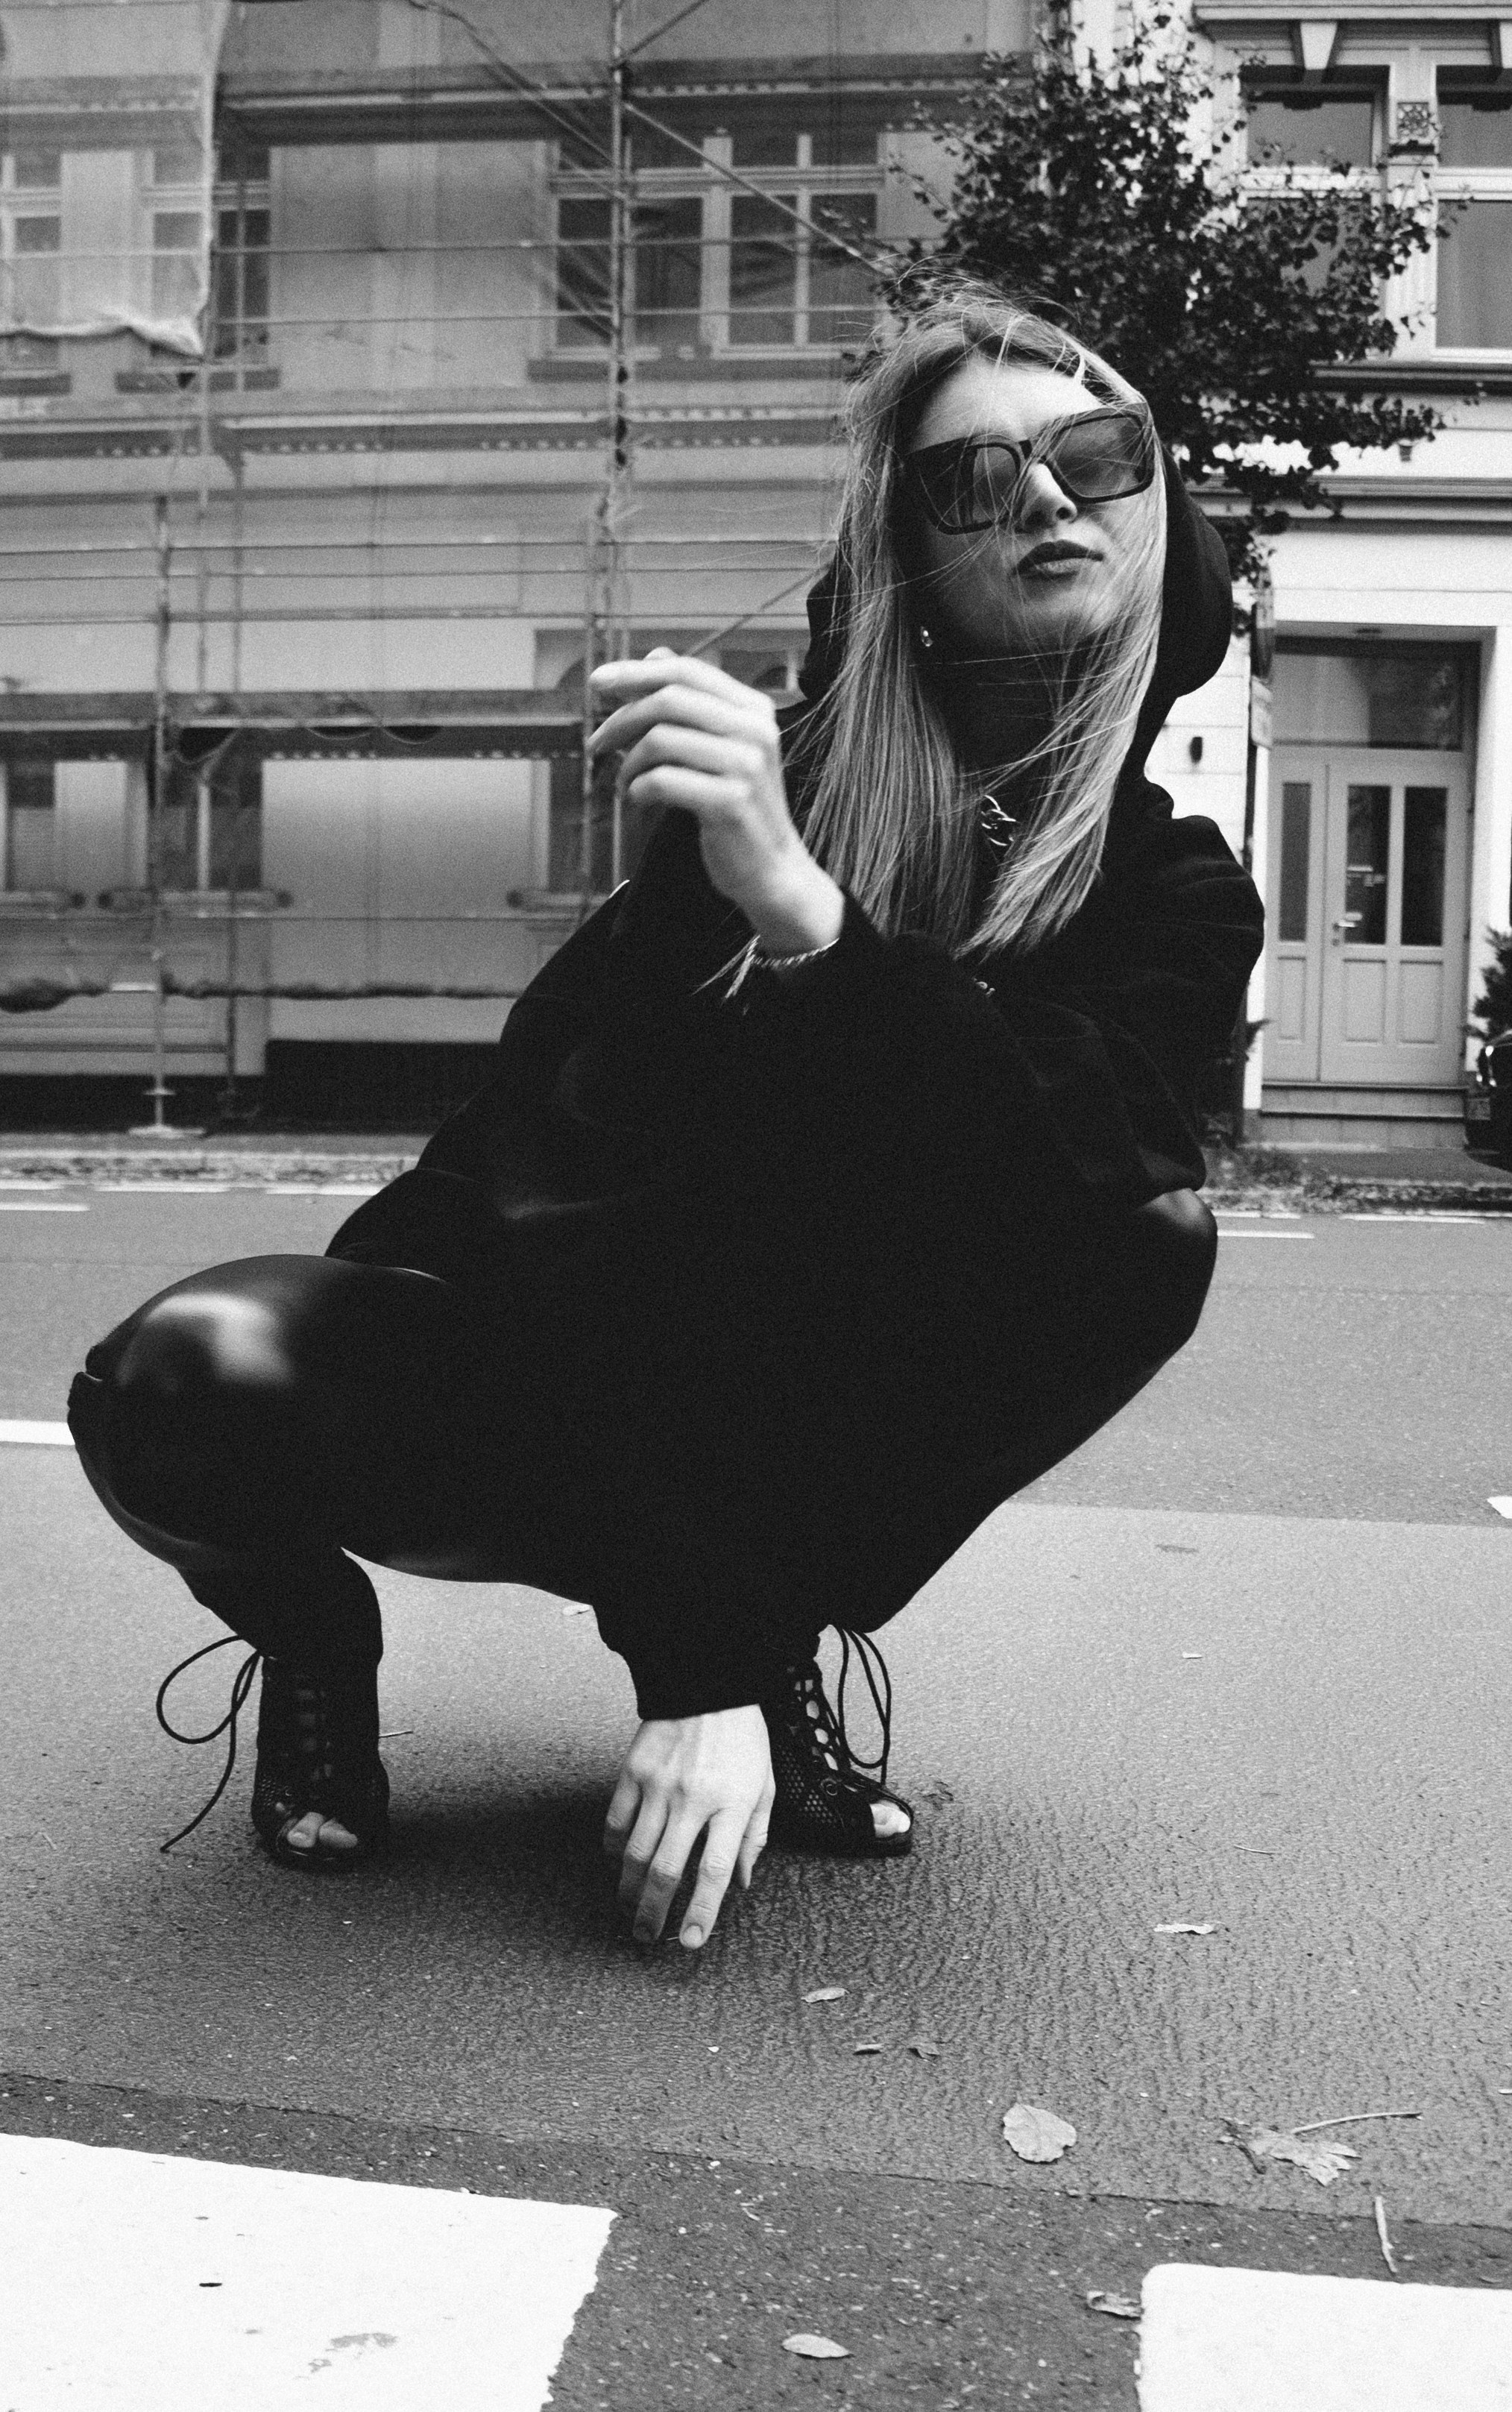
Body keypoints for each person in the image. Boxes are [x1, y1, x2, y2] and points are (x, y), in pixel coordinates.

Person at [69, 284, 1263, 1955]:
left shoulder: (1175, 895)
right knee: (181, 1382)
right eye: (975, 481)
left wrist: (815, 927)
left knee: (1146, 1240)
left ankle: (778, 1652)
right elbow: (577, 1205)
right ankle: (322, 1647)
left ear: (1158, 505)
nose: (1050, 499)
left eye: (1094, 452)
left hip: (802, 1433)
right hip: (541, 1385)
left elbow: (1064, 1171)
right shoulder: (754, 796)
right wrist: (687, 1650)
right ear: (905, 553)